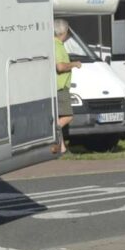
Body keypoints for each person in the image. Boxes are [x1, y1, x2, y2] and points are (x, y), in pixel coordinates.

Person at [53, 19, 74, 155]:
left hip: (59, 87)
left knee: (59, 117)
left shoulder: (55, 44)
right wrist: (74, 64)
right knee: (67, 116)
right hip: (60, 87)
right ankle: (53, 132)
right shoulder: (57, 45)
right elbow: (60, 67)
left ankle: (62, 148)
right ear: (64, 31)